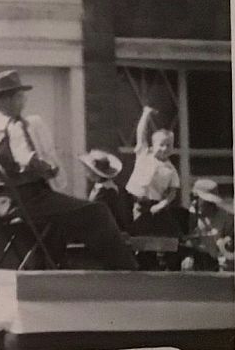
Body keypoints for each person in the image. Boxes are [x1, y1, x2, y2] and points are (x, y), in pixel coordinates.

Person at [0, 69, 137, 270]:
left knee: (61, 214)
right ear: (7, 99)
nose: (23, 101)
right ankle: (126, 269)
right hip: (26, 201)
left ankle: (52, 266)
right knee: (97, 210)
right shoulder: (14, 126)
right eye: (19, 96)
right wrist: (48, 169)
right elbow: (28, 161)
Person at [126, 106, 182, 237]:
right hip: (137, 203)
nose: (164, 149)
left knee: (164, 234)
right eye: (161, 145)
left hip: (155, 205)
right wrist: (146, 114)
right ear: (153, 146)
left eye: (169, 145)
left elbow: (172, 193)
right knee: (137, 233)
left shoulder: (171, 169)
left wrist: (162, 204)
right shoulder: (144, 155)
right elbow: (141, 134)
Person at [182, 179, 234, 271]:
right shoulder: (189, 216)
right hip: (196, 260)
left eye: (208, 202)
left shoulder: (225, 216)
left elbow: (230, 241)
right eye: (197, 199)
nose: (201, 204)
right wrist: (188, 256)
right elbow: (184, 241)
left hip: (217, 262)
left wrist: (225, 254)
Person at [79, 149, 131, 232]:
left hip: (108, 233)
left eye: (88, 169)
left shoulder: (106, 193)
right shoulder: (104, 188)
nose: (85, 172)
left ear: (94, 172)